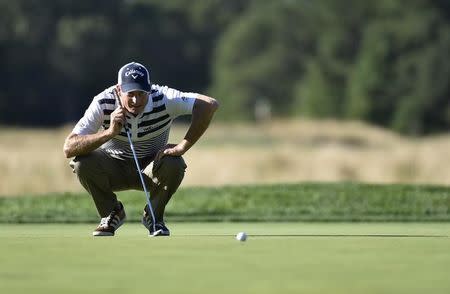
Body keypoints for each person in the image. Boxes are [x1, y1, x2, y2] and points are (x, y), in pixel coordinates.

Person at [63, 61, 219, 236]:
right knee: (81, 163)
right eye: (130, 94)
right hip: (112, 169)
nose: (136, 100)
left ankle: (154, 216)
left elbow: (209, 105)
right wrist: (109, 132)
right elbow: (69, 147)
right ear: (118, 89)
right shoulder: (103, 102)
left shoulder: (164, 97)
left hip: (151, 169)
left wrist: (183, 146)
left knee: (175, 163)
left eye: (141, 93)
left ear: (149, 89)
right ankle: (111, 212)